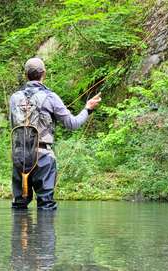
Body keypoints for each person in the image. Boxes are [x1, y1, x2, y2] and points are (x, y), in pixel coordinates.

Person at [8, 57, 101, 210]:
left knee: (19, 205)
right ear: (43, 73)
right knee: (46, 205)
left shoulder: (14, 98)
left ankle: (20, 233)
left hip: (20, 157)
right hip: (43, 157)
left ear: (25, 75)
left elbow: (13, 124)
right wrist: (88, 109)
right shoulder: (51, 97)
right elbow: (72, 124)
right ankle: (44, 234)